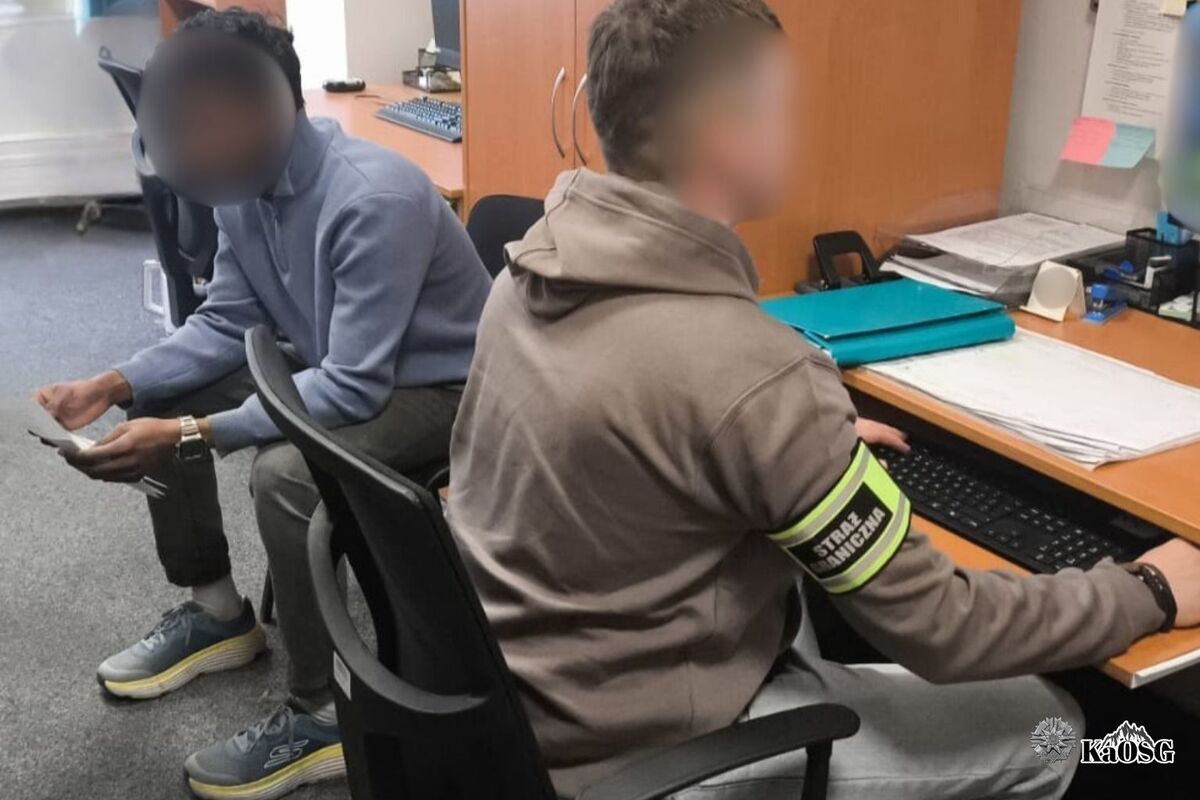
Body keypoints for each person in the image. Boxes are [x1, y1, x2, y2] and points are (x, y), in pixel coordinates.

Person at [446, 1, 1200, 798]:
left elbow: (643, 428)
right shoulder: (753, 376)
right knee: (1059, 722)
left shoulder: (523, 276)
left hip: (527, 704)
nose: (796, 132)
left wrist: (801, 448)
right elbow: (945, 630)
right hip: (647, 757)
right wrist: (1146, 591)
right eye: (783, 108)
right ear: (728, 137)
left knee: (823, 604)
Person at [35, 9, 491, 800]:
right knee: (165, 388)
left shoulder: (372, 197)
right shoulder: (239, 185)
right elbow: (226, 324)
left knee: (285, 475)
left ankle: (324, 715)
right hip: (341, 360)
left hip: (445, 394)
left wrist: (191, 434)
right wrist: (117, 382)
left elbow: (352, 387)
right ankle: (218, 613)